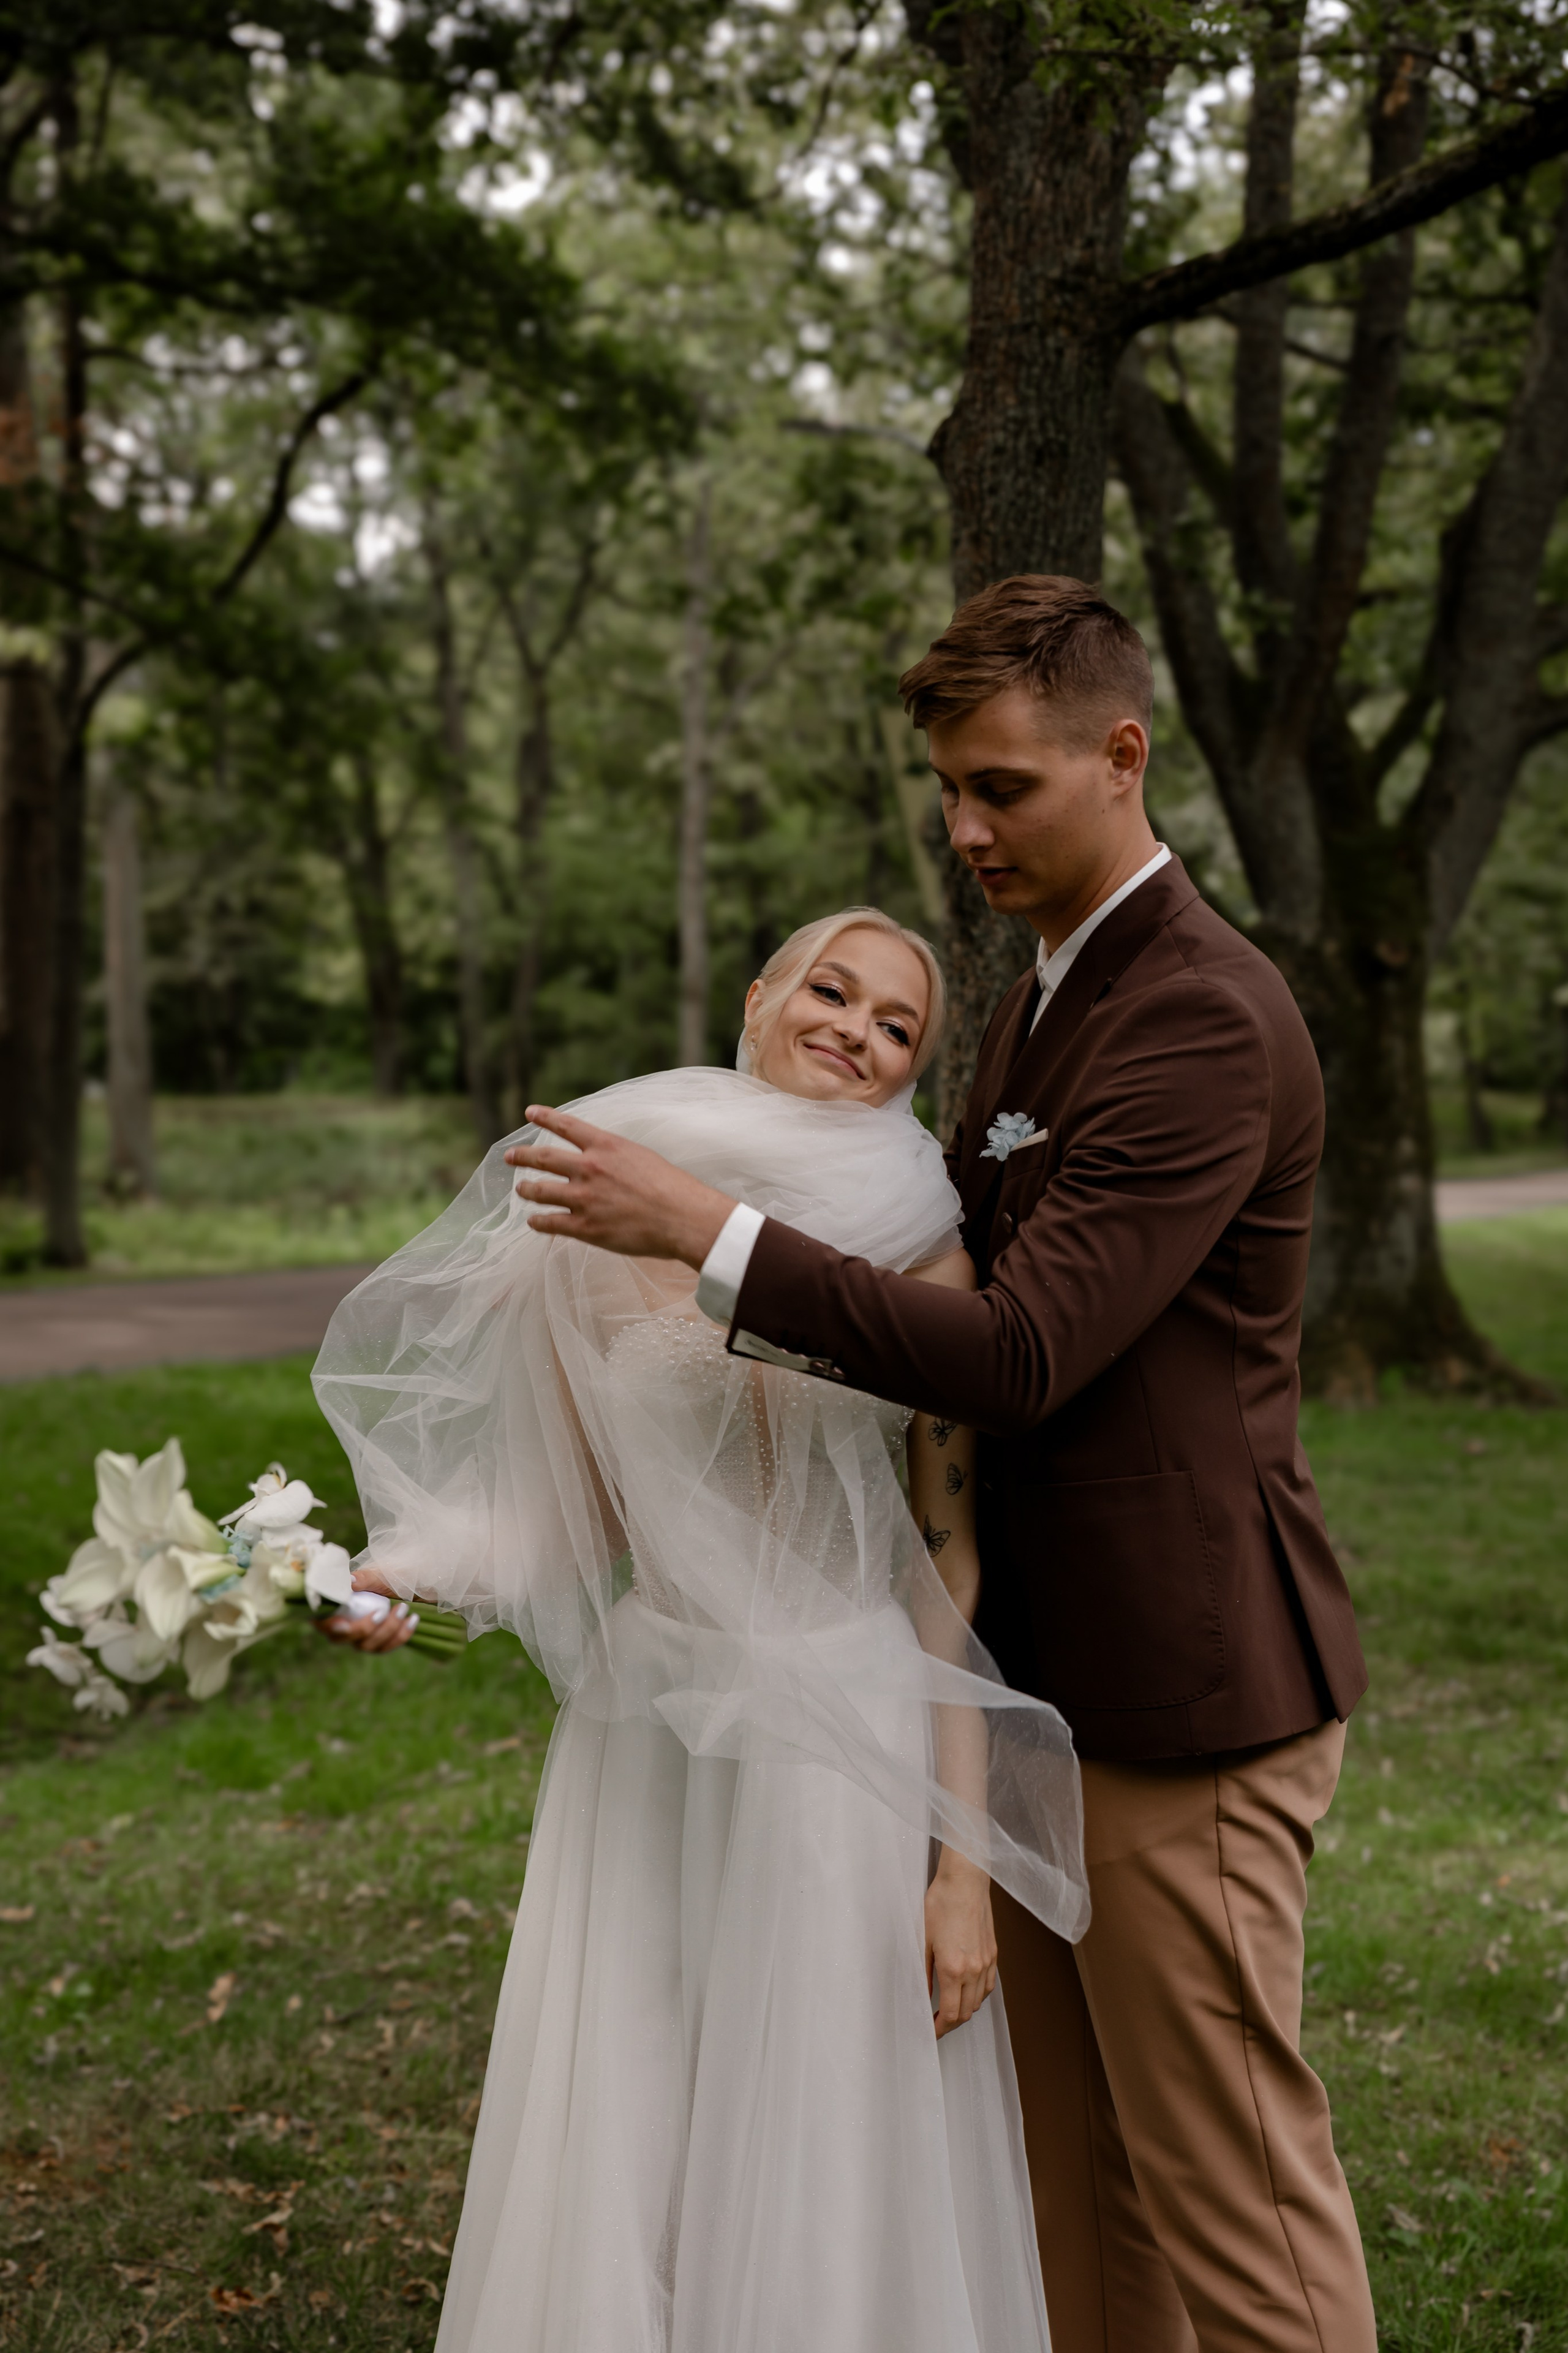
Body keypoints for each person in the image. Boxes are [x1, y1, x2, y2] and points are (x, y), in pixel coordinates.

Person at [506, 576, 1377, 2353]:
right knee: (1077, 2212)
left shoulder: (1202, 1013)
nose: (965, 830)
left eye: (1003, 789)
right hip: (1015, 1696)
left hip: (1178, 1692)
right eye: (951, 796)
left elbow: (1025, 1350)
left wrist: (715, 1231)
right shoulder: (1043, 1003)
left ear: (1122, 757)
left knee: (1234, 2220)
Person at [314, 905, 1088, 2353]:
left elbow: (945, 1561)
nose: (853, 1028)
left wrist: (960, 1869)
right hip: (648, 1734)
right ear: (757, 997)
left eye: (895, 1025)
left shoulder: (924, 1244)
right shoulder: (593, 1216)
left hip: (836, 1743)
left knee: (813, 2127)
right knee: (636, 2113)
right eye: (831, 990)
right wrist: (387, 1575)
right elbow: (572, 1516)